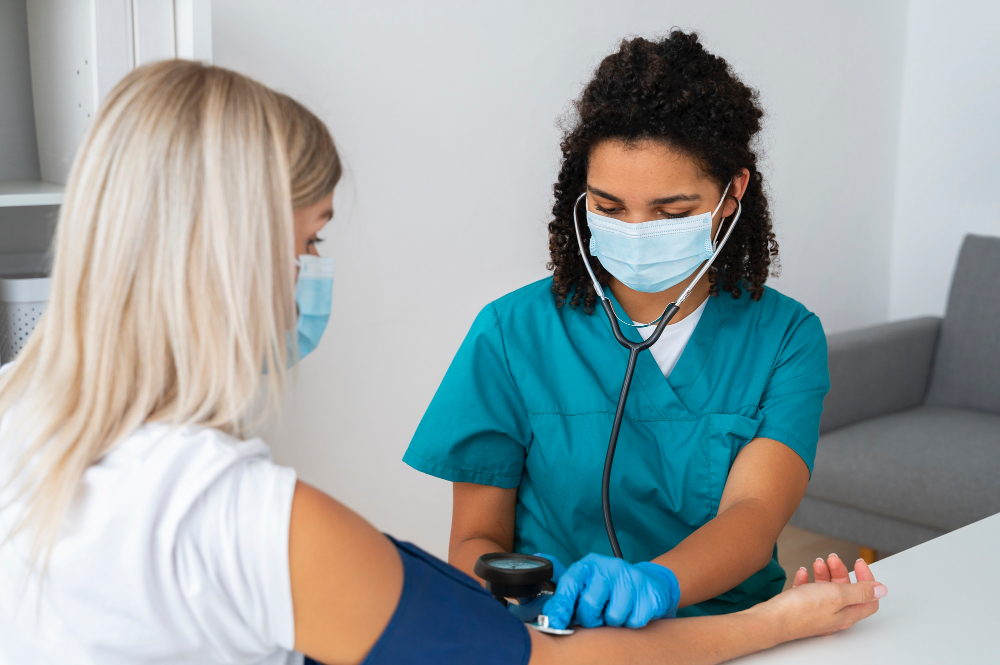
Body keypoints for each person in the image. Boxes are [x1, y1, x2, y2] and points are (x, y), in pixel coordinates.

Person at [0, 60, 884, 665]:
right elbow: (525, 645)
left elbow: (756, 509)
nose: (312, 274)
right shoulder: (249, 516)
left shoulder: (17, 414)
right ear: (232, 250)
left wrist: (675, 585)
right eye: (310, 241)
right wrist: (775, 622)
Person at [404, 30, 832, 629]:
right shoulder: (511, 333)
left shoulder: (787, 338)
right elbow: (476, 540)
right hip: (564, 633)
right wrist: (528, 595)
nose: (635, 230)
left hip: (730, 631)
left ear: (732, 193)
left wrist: (660, 582)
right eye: (608, 207)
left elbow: (755, 513)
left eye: (672, 212)